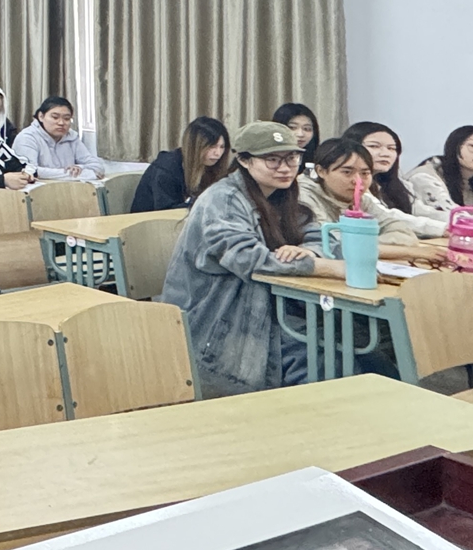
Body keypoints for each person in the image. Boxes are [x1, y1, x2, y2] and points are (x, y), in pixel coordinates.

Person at [161, 121, 346, 397]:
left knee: (355, 347)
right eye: (272, 159)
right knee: (320, 359)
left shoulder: (283, 195)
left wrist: (310, 252)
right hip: (218, 318)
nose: (285, 168)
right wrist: (322, 266)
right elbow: (246, 258)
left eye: (292, 158)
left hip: (267, 309)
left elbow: (321, 237)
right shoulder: (223, 199)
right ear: (245, 161)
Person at [296, 139, 427, 249]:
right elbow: (333, 244)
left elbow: (404, 233)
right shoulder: (304, 196)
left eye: (365, 173)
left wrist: (364, 245)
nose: (357, 181)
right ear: (321, 171)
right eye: (347, 172)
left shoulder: (363, 200)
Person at [340, 122, 443, 239]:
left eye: (391, 148)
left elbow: (422, 211)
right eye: (374, 146)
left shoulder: (398, 184)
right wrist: (441, 228)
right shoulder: (352, 185)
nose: (385, 154)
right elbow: (387, 216)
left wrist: (454, 221)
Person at [133, 117, 233, 213]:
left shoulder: (211, 166)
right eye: (212, 146)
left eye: (222, 147)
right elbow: (168, 213)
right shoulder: (166, 170)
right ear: (195, 146)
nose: (218, 153)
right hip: (151, 222)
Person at [11, 97, 108, 181]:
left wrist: (80, 167)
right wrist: (83, 174)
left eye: (66, 118)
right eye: (55, 117)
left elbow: (98, 167)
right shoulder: (27, 137)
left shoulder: (71, 136)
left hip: (70, 189)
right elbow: (30, 171)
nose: (61, 123)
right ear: (41, 116)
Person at [406, 125, 473, 227]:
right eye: (472, 146)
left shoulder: (469, 180)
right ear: (455, 146)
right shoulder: (424, 176)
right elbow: (452, 216)